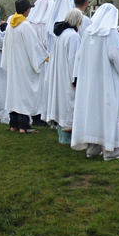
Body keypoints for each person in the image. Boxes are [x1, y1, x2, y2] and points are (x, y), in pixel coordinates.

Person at [71, 3, 119, 160]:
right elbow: (118, 57)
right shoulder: (110, 33)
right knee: (108, 112)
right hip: (106, 80)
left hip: (89, 81)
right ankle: (111, 150)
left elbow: (79, 56)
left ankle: (93, 148)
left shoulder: (88, 33)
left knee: (92, 113)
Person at [1, 0, 50, 133]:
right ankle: (24, 125)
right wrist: (45, 56)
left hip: (13, 63)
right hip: (24, 65)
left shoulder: (11, 25)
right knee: (24, 95)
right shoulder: (25, 25)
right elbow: (33, 45)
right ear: (26, 10)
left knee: (14, 94)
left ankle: (13, 123)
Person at [44, 8, 82, 144]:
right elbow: (74, 60)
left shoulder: (59, 35)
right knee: (68, 107)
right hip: (67, 77)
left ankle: (61, 136)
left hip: (58, 76)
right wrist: (76, 79)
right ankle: (67, 139)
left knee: (60, 106)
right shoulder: (73, 37)